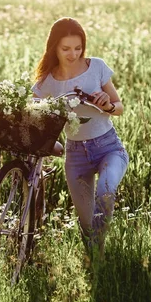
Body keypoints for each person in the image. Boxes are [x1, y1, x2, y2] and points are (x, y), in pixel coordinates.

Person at [32, 17, 129, 257]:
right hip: (75, 156)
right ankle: (96, 262)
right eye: (66, 48)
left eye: (78, 48)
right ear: (54, 47)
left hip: (109, 148)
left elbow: (119, 107)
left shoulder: (96, 66)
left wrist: (107, 106)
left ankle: (101, 258)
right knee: (87, 227)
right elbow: (31, 106)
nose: (73, 54)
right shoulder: (48, 81)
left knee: (106, 190)